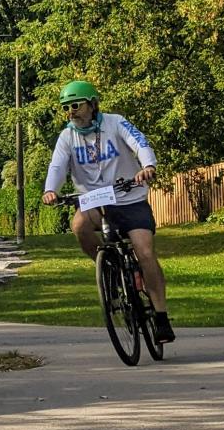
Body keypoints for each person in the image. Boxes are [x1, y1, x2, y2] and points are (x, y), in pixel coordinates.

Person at [42, 80, 175, 344]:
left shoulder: (115, 123)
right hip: (93, 201)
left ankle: (160, 316)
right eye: (66, 107)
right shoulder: (67, 137)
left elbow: (139, 142)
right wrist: (50, 190)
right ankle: (109, 271)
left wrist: (147, 165)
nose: (71, 111)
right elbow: (57, 166)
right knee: (79, 226)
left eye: (76, 105)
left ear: (92, 104)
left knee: (145, 252)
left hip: (129, 198)